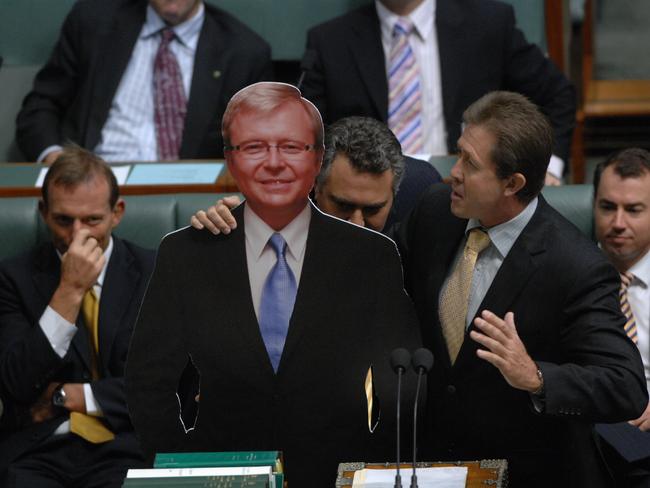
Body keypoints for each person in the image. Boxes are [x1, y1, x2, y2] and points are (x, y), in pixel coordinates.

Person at [125, 82, 422, 488]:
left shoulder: (375, 257)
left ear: (314, 161)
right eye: (254, 149)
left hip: (338, 474)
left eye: (292, 148)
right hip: (220, 473)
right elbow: (148, 381)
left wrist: (371, 473)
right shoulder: (188, 252)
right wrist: (182, 470)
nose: (275, 164)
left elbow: (402, 385)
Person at [396, 91, 647, 487]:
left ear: (512, 183)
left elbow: (626, 386)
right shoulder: (434, 211)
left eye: (470, 164)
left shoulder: (576, 266)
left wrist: (536, 377)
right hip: (432, 464)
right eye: (459, 153)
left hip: (527, 471)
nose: (454, 172)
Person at [0, 146, 156, 487]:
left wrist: (68, 396)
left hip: (127, 446)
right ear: (43, 213)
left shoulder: (154, 273)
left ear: (117, 213)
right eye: (63, 220)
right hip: (39, 451)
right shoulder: (13, 277)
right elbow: (15, 383)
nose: (77, 235)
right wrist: (68, 293)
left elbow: (165, 385)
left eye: (92, 220)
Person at [301, 0, 575, 183]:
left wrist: (548, 169)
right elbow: (308, 135)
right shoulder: (330, 41)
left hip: (464, 187)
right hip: (369, 197)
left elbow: (557, 96)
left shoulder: (488, 24)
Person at [15, 0, 271, 164]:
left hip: (193, 197)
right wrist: (54, 158)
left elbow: (255, 148)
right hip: (93, 185)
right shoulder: (93, 23)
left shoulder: (243, 51)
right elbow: (40, 108)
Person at [193, 115, 441, 234]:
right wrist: (226, 231)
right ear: (313, 186)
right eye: (342, 205)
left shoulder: (422, 194)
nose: (357, 224)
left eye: (372, 210)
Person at [593, 148, 650, 487]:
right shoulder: (566, 270)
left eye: (633, 210)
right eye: (607, 207)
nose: (617, 223)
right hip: (592, 428)